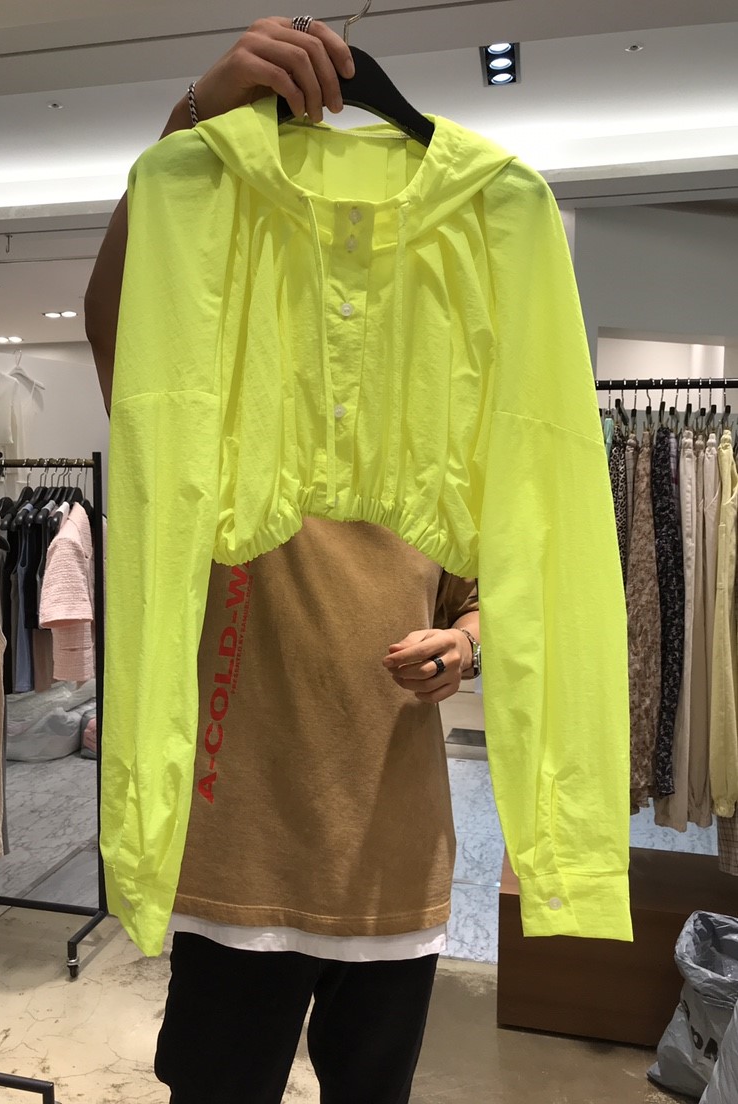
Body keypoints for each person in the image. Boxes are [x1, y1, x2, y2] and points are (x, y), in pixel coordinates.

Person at [85, 17, 481, 1103]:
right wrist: (189, 125)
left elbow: (487, 592)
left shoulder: (436, 432)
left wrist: (465, 643)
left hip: (394, 857)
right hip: (240, 862)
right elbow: (121, 319)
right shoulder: (213, 425)